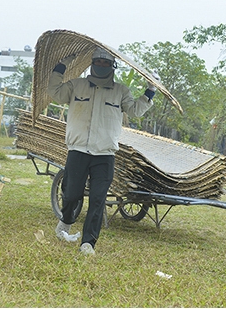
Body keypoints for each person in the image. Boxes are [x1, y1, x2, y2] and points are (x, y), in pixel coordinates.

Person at [47, 46, 155, 255]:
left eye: (106, 63)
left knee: (98, 199)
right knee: (71, 194)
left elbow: (135, 111)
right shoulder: (76, 86)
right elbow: (55, 92)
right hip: (78, 150)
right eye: (98, 62)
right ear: (92, 64)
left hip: (105, 154)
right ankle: (66, 222)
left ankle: (88, 243)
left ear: (112, 67)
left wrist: (150, 90)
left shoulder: (120, 91)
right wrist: (61, 66)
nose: (101, 65)